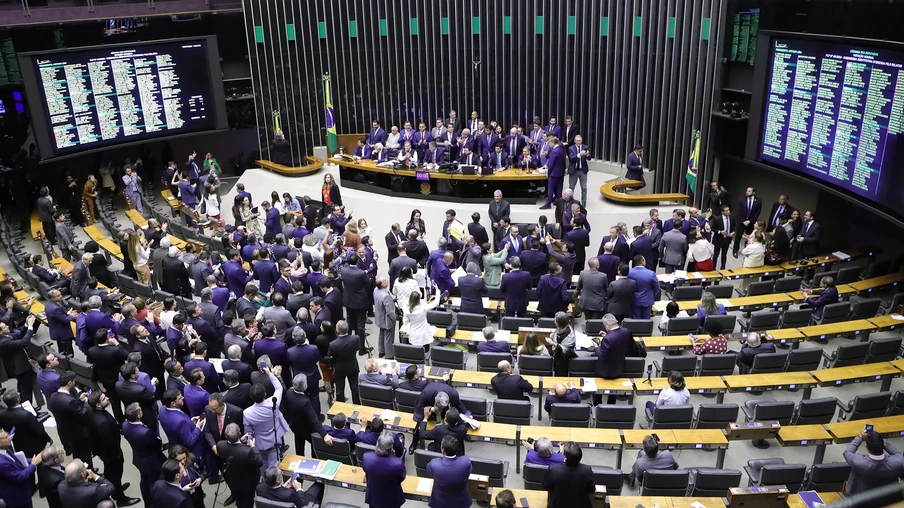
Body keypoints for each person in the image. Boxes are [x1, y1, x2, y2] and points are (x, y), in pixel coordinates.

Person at [85, 391, 140, 506]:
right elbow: (110, 442)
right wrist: (117, 454)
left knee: (109, 472)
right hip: (111, 454)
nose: (107, 398)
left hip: (102, 451)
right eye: (104, 399)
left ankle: (113, 489)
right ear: (98, 405)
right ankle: (120, 499)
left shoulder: (92, 412)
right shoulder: (103, 422)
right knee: (115, 475)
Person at [243, 367, 289, 470]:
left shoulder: (247, 413)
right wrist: (270, 374)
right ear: (265, 394)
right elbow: (279, 388)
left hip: (259, 443)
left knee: (262, 465)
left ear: (251, 396)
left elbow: (248, 432)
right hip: (274, 440)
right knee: (274, 467)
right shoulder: (273, 403)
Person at [121, 403, 166, 508]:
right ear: (138, 416)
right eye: (140, 410)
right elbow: (157, 444)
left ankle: (147, 502)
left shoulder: (125, 425)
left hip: (139, 458)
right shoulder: (145, 432)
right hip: (151, 461)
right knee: (154, 483)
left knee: (144, 480)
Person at [843, 428, 904, 503]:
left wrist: (860, 436)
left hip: (862, 502)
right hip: (889, 501)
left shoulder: (858, 462)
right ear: (882, 446)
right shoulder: (898, 462)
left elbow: (847, 452)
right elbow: (898, 454)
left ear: (866, 445)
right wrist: (880, 441)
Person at [216, 423, 263, 508]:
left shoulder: (220, 445)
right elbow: (259, 462)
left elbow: (233, 451)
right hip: (247, 483)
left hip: (231, 479)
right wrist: (253, 447)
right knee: (247, 503)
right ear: (240, 433)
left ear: (226, 436)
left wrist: (240, 441)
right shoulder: (247, 452)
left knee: (239, 499)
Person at [362, 430, 407, 508]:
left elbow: (366, 470)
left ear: (377, 444)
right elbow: (401, 478)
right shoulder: (398, 463)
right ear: (391, 448)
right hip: (391, 499)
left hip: (374, 497)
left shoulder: (366, 457)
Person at [542, 441, 595, 508]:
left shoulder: (553, 469)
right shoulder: (587, 470)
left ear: (565, 456)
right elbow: (591, 489)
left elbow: (545, 486)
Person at [0, 391, 50, 458]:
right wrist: (48, 439)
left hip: (18, 444)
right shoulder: (26, 414)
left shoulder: (2, 414)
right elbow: (38, 430)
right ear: (18, 399)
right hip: (35, 445)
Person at [427, 436, 472, 508]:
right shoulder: (466, 462)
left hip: (441, 502)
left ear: (443, 450)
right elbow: (469, 471)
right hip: (461, 501)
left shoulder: (434, 464)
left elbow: (430, 471)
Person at [326, 320, 362, 404]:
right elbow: (358, 348)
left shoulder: (333, 344)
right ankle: (357, 406)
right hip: (352, 367)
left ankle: (341, 407)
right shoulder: (356, 338)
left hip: (339, 369)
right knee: (355, 389)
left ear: (337, 330)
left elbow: (329, 355)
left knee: (340, 390)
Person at [256, 466, 324, 508]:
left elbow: (275, 493)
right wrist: (299, 489)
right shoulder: (290, 494)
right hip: (303, 501)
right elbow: (302, 504)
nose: (282, 474)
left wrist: (283, 487)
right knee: (319, 485)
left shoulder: (259, 487)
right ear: (277, 480)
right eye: (281, 473)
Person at [733, 187, 762, 256]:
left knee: (749, 236)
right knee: (738, 236)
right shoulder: (742, 199)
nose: (747, 192)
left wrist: (750, 221)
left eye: (749, 191)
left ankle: (747, 250)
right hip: (741, 221)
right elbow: (739, 211)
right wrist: (743, 221)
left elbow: (757, 213)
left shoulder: (758, 201)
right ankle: (735, 250)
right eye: (747, 191)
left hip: (751, 222)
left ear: (753, 192)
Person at [540, 137, 565, 209]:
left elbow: (551, 164)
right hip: (560, 172)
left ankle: (548, 204)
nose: (549, 145)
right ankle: (559, 203)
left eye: (549, 143)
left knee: (550, 189)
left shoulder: (554, 151)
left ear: (553, 143)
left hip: (553, 173)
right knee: (559, 189)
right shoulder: (561, 149)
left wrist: (548, 173)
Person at [550, 312, 577, 377]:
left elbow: (567, 350)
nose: (554, 322)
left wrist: (555, 344)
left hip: (564, 359)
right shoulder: (561, 327)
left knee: (560, 375)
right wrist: (553, 335)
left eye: (556, 321)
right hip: (557, 355)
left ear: (561, 323)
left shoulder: (569, 335)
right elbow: (557, 334)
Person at [709, 205, 735, 270]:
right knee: (716, 255)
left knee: (724, 255)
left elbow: (734, 226)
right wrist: (719, 232)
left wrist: (733, 232)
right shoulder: (717, 219)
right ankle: (713, 268)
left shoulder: (732, 217)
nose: (728, 212)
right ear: (722, 212)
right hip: (719, 239)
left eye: (728, 210)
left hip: (727, 239)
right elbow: (713, 228)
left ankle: (723, 268)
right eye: (726, 211)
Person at [567, 135, 591, 205]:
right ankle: (570, 202)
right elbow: (571, 158)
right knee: (571, 188)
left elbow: (589, 158)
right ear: (574, 141)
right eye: (577, 140)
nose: (579, 142)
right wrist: (579, 155)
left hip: (583, 170)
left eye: (580, 140)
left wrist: (587, 155)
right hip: (574, 170)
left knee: (584, 188)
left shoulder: (585, 147)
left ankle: (584, 202)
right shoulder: (571, 148)